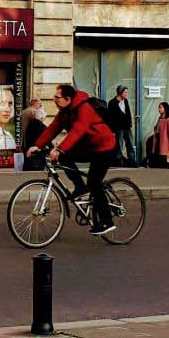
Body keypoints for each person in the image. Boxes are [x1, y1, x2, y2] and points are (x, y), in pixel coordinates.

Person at [26, 80, 117, 235]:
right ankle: (80, 187)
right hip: (88, 146)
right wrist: (37, 146)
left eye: (57, 97)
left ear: (68, 99)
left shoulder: (84, 108)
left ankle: (107, 221)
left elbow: (77, 131)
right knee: (64, 158)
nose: (54, 99)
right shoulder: (64, 112)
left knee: (94, 182)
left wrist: (60, 149)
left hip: (104, 147)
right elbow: (52, 129)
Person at [110, 84, 136, 166]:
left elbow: (128, 113)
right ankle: (119, 162)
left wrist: (130, 124)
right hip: (118, 128)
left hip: (127, 127)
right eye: (125, 92)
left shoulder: (126, 101)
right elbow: (110, 118)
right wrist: (112, 130)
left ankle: (132, 161)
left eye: (127, 92)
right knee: (119, 145)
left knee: (130, 144)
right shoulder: (112, 103)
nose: (126, 94)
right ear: (120, 92)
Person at [21, 95, 47, 170]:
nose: (41, 106)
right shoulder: (33, 112)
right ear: (35, 104)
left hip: (25, 137)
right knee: (33, 156)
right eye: (40, 104)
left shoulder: (24, 111)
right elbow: (39, 124)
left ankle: (26, 169)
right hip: (32, 137)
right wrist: (43, 117)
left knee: (26, 156)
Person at [150, 99, 169, 167]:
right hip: (158, 140)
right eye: (159, 107)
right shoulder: (160, 119)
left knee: (164, 161)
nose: (159, 109)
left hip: (164, 143)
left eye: (161, 107)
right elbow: (157, 129)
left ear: (165, 109)